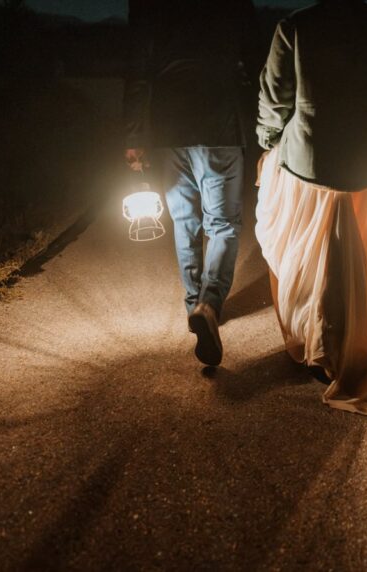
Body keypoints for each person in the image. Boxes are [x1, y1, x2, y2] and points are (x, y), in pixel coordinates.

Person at [255, 0, 367, 420]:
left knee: (305, 252)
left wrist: (267, 142)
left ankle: (316, 346)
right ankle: (347, 345)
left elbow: (275, 98)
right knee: (357, 259)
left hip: (308, 158)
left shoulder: (296, 26)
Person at [124, 0, 258, 366]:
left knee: (185, 220)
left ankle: (193, 304)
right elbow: (257, 58)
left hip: (170, 126)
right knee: (224, 224)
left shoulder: (151, 9)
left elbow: (137, 69)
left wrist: (134, 134)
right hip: (220, 125)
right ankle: (209, 304)